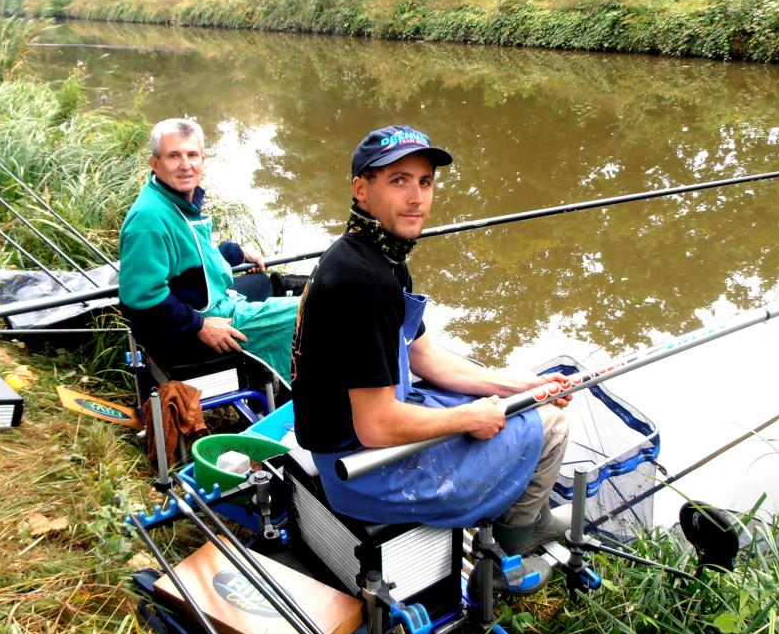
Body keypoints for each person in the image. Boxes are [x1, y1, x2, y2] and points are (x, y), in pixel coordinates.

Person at [291, 125, 574, 593]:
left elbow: (424, 358)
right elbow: (377, 426)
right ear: (362, 190)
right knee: (553, 424)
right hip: (362, 469)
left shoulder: (374, 254)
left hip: (359, 438)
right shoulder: (365, 283)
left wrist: (516, 386)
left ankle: (518, 507)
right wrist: (469, 418)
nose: (417, 197)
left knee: (528, 403)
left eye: (425, 182)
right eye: (398, 180)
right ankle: (510, 552)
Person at [118, 117, 300, 382]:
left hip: (205, 305)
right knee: (314, 310)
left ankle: (281, 380)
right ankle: (308, 393)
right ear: (155, 164)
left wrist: (235, 252)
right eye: (173, 156)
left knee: (261, 282)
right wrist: (199, 325)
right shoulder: (149, 220)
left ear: (203, 159)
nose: (185, 165)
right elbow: (138, 300)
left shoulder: (174, 201)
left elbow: (192, 257)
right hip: (190, 330)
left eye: (192, 155)